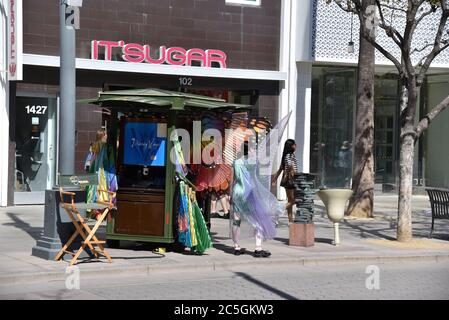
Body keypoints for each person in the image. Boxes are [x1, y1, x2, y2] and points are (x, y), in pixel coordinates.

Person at [230, 141, 281, 258]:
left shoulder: (236, 162)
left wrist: (230, 196)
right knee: (258, 220)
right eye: (253, 149)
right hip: (248, 193)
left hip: (237, 192)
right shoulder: (252, 163)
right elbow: (257, 178)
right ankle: (258, 248)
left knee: (236, 221)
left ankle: (236, 247)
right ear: (249, 150)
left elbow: (232, 180)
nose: (254, 151)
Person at [85, 128, 118, 218]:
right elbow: (110, 162)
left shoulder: (94, 146)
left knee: (94, 191)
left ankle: (96, 212)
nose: (107, 136)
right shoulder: (106, 146)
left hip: (94, 173)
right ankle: (100, 212)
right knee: (103, 190)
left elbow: (89, 161)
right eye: (105, 134)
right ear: (102, 135)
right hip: (103, 172)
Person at [272, 139, 299, 223]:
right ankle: (278, 211)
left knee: (290, 200)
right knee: (295, 200)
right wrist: (294, 175)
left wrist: (274, 179)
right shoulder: (289, 156)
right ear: (291, 146)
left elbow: (281, 168)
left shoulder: (286, 155)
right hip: (290, 179)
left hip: (287, 179)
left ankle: (290, 220)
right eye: (294, 144)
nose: (296, 146)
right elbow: (290, 166)